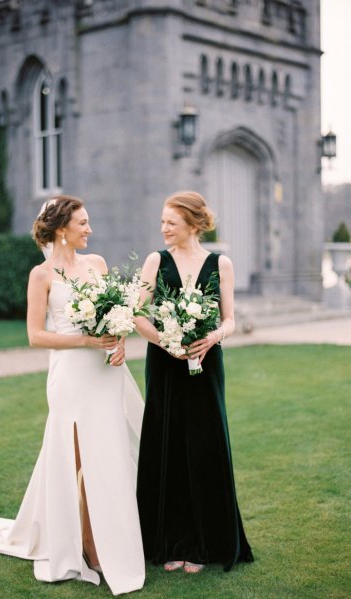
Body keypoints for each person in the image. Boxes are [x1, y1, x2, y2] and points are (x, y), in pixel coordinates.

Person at [0, 195, 145, 596]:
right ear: (61, 229)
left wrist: (118, 341)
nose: (90, 230)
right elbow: (35, 335)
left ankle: (105, 544)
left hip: (105, 373)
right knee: (75, 457)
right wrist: (87, 340)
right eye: (83, 223)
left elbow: (114, 316)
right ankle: (84, 545)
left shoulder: (98, 265)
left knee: (108, 456)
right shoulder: (41, 275)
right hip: (71, 375)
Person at [135, 190, 254, 574]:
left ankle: (204, 544)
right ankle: (169, 541)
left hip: (206, 362)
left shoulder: (221, 264)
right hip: (165, 364)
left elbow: (229, 319)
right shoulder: (156, 260)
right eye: (162, 222)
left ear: (192, 223)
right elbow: (138, 318)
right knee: (166, 442)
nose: (163, 228)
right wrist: (167, 342)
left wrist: (213, 338)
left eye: (170, 222)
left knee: (205, 447)